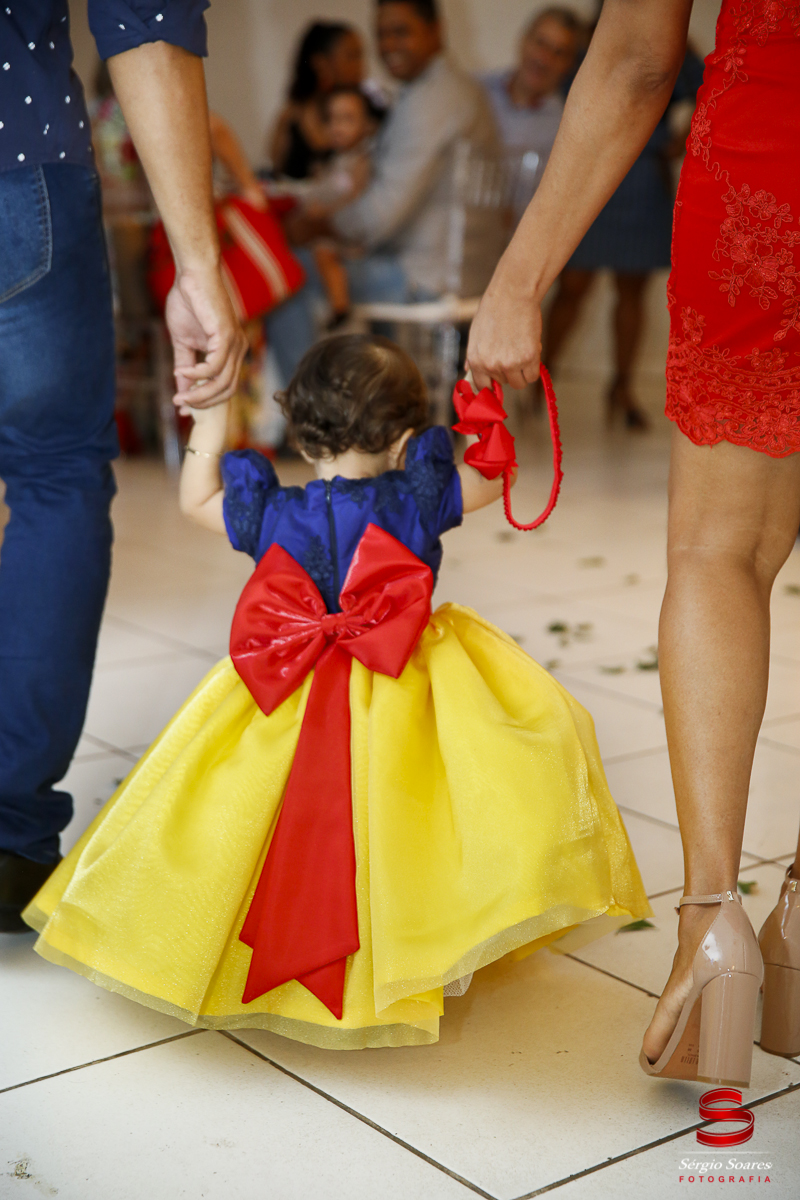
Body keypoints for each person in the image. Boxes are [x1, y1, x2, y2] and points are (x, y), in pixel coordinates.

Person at [23, 333, 649, 1048]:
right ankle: (412, 941)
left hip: (285, 678)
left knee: (247, 822)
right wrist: (483, 406)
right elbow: (491, 476)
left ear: (300, 427)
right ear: (406, 434)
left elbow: (197, 497)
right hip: (402, 681)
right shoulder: (421, 495)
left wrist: (214, 413)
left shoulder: (270, 512)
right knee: (410, 821)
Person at [466, 0, 800, 1082]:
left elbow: (632, 56)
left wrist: (519, 277)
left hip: (770, 148)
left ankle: (711, 926)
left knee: (718, 552)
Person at [0, 4, 246, 934]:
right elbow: (143, 15)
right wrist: (198, 261)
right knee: (55, 474)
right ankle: (7, 835)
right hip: (17, 161)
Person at [266, 0, 498, 384]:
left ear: (435, 30)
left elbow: (377, 218)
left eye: (401, 31)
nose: (388, 44)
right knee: (331, 259)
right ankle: (380, 399)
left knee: (288, 269)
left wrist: (317, 225)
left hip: (424, 277)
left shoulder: (431, 101)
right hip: (456, 269)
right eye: (382, 34)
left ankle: (301, 413)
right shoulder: (454, 91)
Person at [542, 31, 704, 430]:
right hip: (594, 174)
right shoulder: (588, 40)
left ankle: (622, 387)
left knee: (631, 291)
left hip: (644, 175)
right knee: (573, 286)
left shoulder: (673, 39)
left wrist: (682, 138)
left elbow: (710, 85)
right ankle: (540, 379)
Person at [302, 86, 384, 329]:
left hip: (351, 236)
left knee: (323, 252)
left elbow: (357, 195)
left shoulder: (361, 161)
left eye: (347, 119)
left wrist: (327, 212)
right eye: (332, 119)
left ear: (368, 125)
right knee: (320, 251)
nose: (337, 127)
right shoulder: (337, 160)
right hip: (336, 230)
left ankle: (340, 306)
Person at [480, 7, 581, 179]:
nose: (544, 59)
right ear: (524, 39)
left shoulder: (566, 130)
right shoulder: (475, 90)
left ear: (569, 65)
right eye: (541, 43)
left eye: (558, 52)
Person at [268, 21, 365, 181]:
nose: (360, 66)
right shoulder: (291, 116)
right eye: (351, 56)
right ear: (320, 63)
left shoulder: (373, 112)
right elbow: (275, 174)